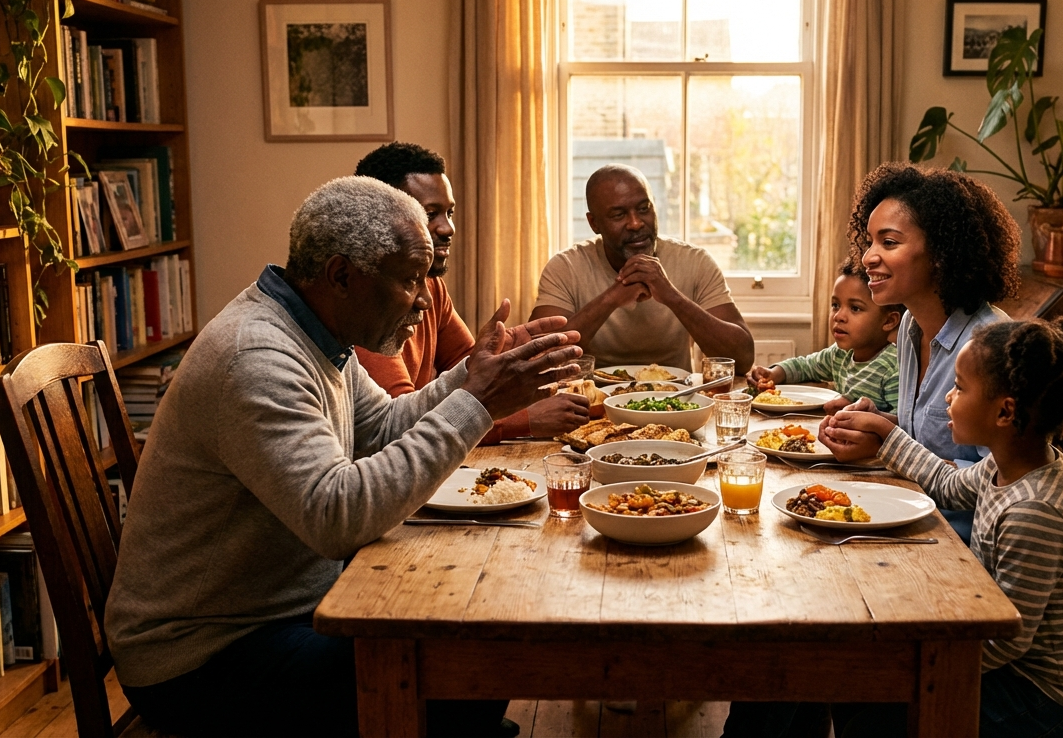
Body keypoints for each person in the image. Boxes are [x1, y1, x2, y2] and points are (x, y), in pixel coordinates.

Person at [105, 177, 583, 738]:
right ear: (341, 275)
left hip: (278, 615)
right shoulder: (255, 357)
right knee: (465, 658)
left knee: (474, 646)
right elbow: (338, 517)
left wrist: (468, 378)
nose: (426, 299)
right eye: (410, 280)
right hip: (202, 661)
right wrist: (477, 404)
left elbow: (381, 428)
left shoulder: (315, 333)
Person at [829, 318, 1063, 737]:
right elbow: (947, 485)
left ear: (1004, 412)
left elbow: (1008, 639)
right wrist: (887, 436)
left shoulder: (1034, 511)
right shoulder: (1006, 462)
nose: (947, 396)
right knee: (857, 692)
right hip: (1010, 666)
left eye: (959, 387)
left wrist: (914, 658)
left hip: (1044, 698)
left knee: (874, 718)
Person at [352, 142, 588, 442]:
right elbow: (398, 425)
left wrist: (504, 351)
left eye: (449, 212)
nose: (448, 228)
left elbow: (467, 366)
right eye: (430, 214)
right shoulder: (365, 303)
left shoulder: (433, 285)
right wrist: (523, 420)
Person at [819, 163, 1021, 467]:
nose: (868, 257)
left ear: (941, 254)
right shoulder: (910, 327)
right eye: (871, 241)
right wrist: (875, 422)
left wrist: (887, 446)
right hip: (908, 500)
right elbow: (926, 436)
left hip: (954, 517)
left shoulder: (991, 348)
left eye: (889, 242)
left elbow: (1001, 478)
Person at [530, 164, 755, 372]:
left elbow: (743, 359)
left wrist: (671, 296)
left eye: (644, 208)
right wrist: (612, 297)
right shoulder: (565, 267)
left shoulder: (695, 261)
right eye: (619, 215)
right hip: (594, 404)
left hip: (676, 404)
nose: (636, 223)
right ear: (594, 223)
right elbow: (538, 360)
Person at [747, 261, 903, 413]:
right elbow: (805, 367)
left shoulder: (894, 368)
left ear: (889, 321)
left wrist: (869, 415)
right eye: (835, 305)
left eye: (855, 308)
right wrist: (774, 374)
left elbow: (903, 426)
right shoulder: (839, 355)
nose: (839, 316)